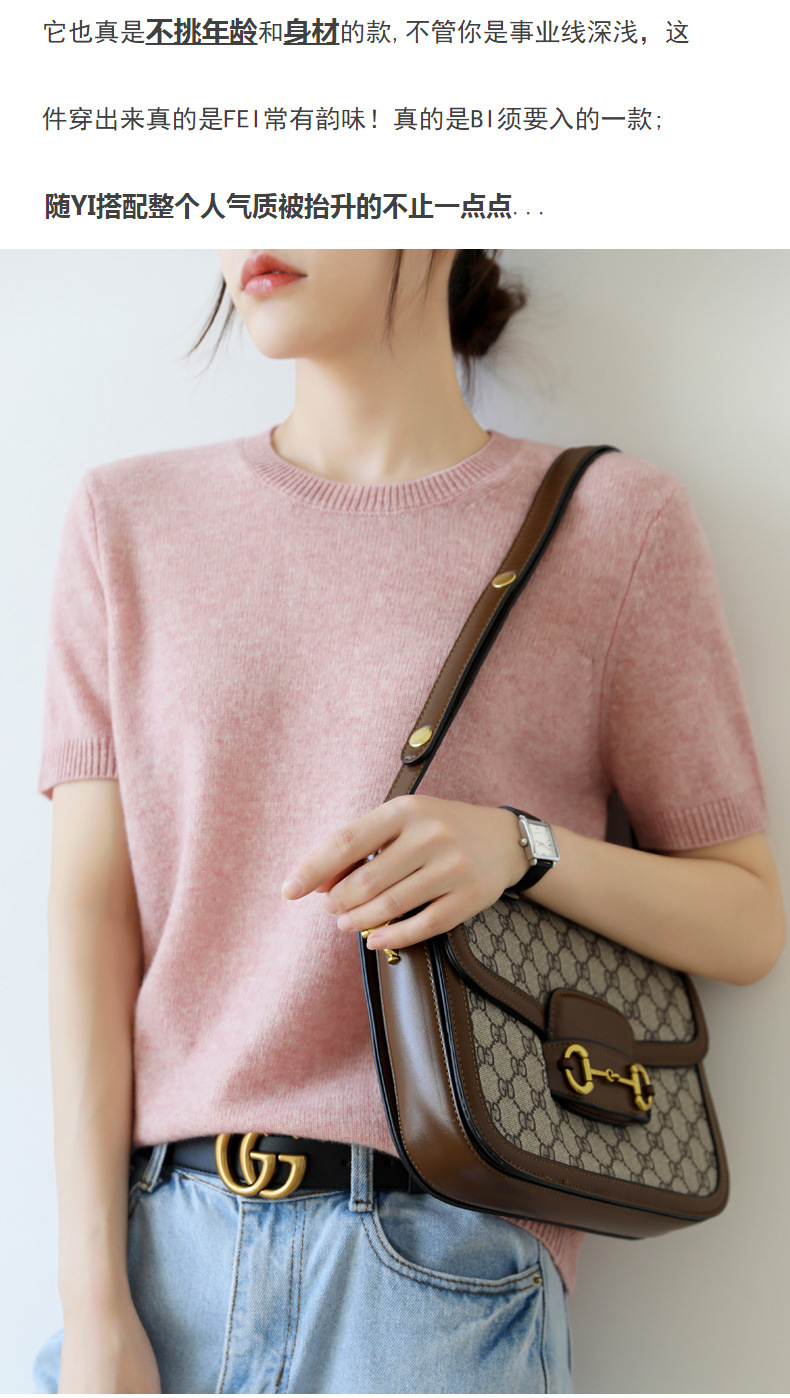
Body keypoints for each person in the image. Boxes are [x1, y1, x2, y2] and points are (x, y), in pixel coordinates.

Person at [33, 249, 784, 1395]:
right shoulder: (125, 521)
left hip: (437, 1277)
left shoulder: (609, 523)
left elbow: (745, 918)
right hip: (161, 1261)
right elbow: (90, 926)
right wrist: (93, 1300)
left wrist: (519, 850)